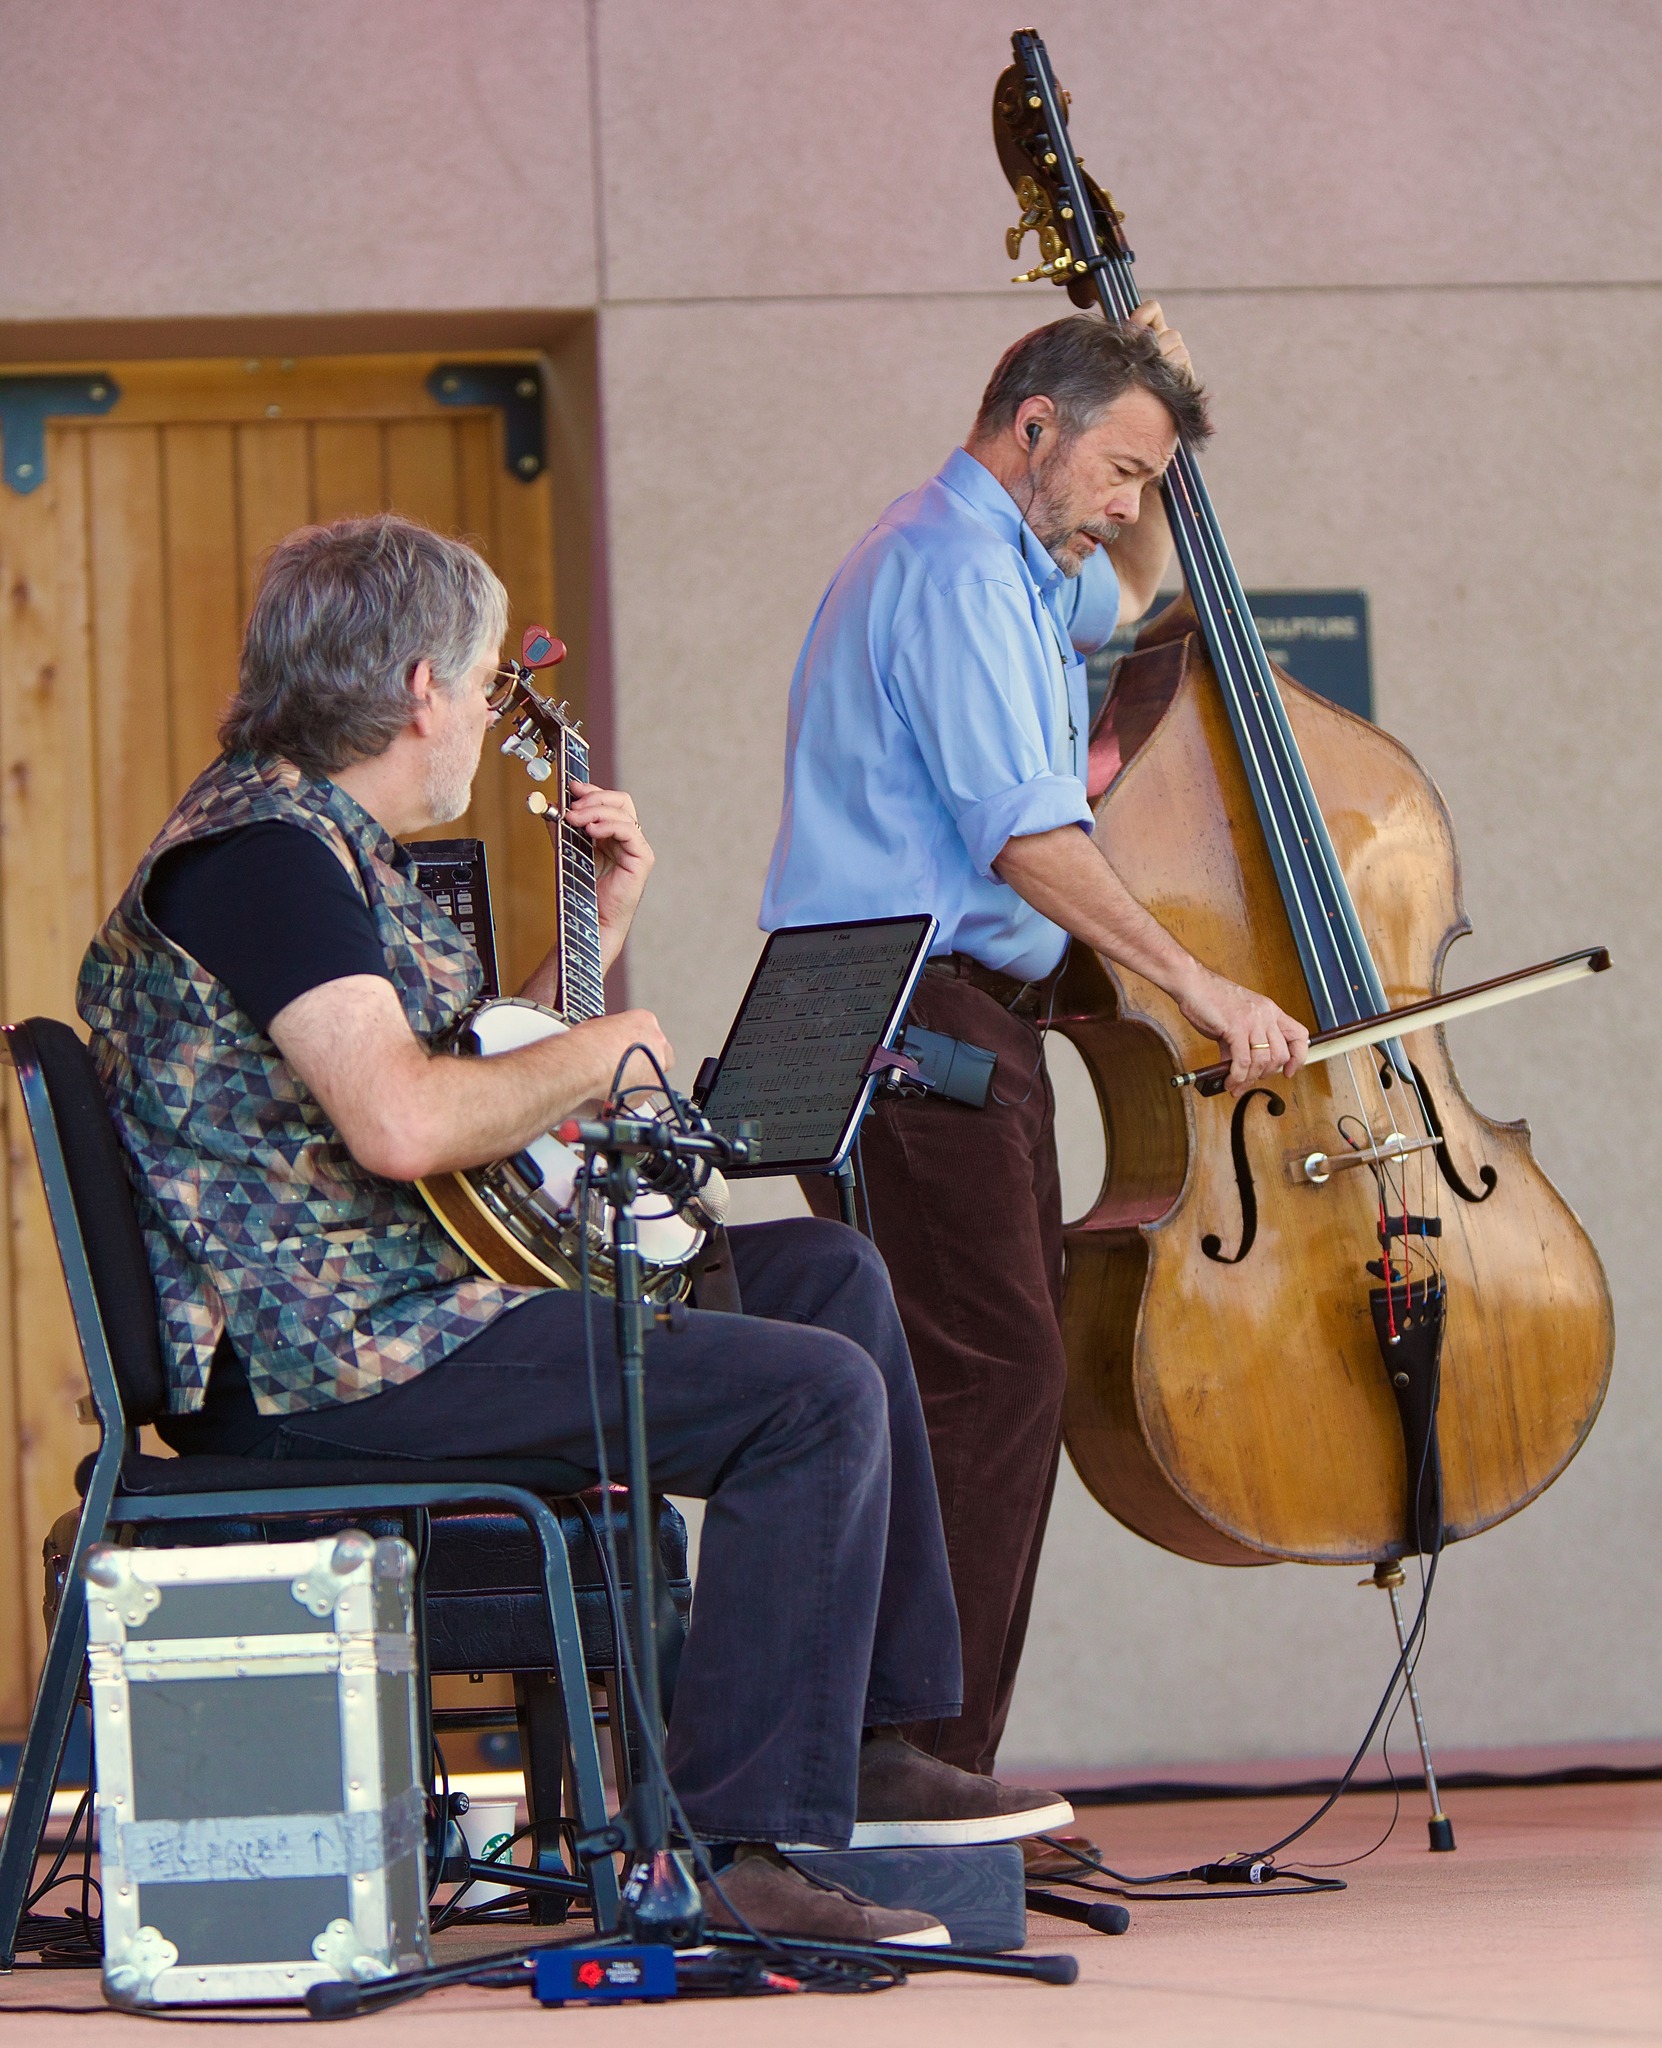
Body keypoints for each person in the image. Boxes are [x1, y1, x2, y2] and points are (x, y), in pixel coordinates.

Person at [76, 513, 1077, 1947]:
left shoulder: (313, 844)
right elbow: (407, 1125)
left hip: (403, 1312)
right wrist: (610, 1039)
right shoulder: (261, 863)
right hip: (327, 1367)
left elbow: (460, 1083)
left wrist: (594, 931)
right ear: (421, 685)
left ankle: (869, 1748)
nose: (490, 716)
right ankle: (721, 1847)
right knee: (805, 1397)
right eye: (484, 683)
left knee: (828, 1282)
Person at [760, 309, 1310, 1863]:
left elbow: (1129, 610)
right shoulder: (943, 570)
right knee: (984, 1377)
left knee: (978, 1375)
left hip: (940, 1005)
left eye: (1148, 479)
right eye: (1119, 467)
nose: (1130, 503)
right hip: (897, 1005)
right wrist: (1198, 983)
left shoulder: (1006, 558)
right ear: (1029, 426)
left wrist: (1152, 412)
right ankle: (902, 1767)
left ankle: (919, 1764)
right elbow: (1024, 830)